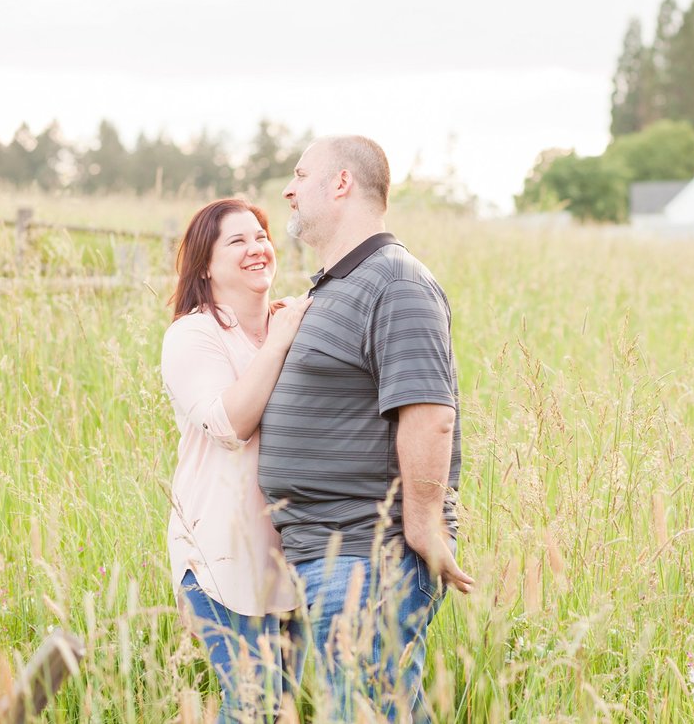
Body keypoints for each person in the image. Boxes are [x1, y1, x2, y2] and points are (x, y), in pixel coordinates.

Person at [258, 135, 474, 721]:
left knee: (370, 710)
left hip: (366, 554)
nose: (288, 188)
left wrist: (425, 524)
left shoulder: (396, 282)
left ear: (342, 183)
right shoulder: (335, 284)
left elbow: (429, 412)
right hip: (322, 550)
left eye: (301, 174)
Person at [161, 198, 311, 722]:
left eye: (261, 237)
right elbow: (230, 424)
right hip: (221, 550)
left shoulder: (288, 321)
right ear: (205, 263)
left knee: (284, 704)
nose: (256, 249)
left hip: (291, 548)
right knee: (253, 705)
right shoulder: (193, 335)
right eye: (237, 241)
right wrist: (282, 340)